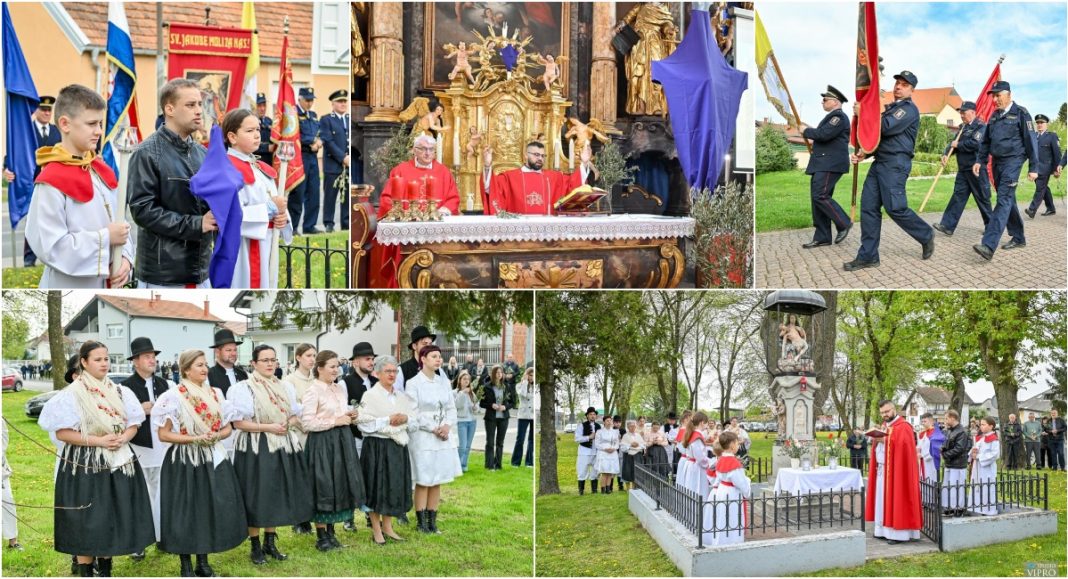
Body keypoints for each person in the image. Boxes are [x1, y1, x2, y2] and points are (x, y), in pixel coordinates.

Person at [37, 342, 155, 577]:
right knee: (86, 519)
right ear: (83, 362)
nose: (104, 364)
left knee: (110, 514)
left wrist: (123, 438)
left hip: (117, 461)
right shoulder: (71, 395)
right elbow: (62, 433)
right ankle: (85, 572)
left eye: (106, 359)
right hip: (86, 462)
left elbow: (134, 423)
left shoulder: (120, 391)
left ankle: (106, 570)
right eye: (98, 359)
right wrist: (99, 441)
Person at [24, 85, 133, 288]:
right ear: (65, 124)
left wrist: (125, 257)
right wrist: (106, 237)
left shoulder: (100, 170)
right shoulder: (51, 181)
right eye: (91, 124)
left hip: (108, 283)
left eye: (100, 123)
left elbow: (120, 223)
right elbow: (51, 246)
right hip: (70, 285)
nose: (99, 131)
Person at [152, 349, 246, 577]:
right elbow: (164, 435)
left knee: (207, 508)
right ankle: (185, 564)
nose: (205, 369)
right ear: (185, 370)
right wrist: (194, 439)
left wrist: (217, 436)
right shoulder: (173, 397)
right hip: (184, 461)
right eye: (199, 365)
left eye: (205, 365)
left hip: (211, 457)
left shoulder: (215, 393)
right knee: (185, 512)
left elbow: (227, 427)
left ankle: (203, 561)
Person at [228, 345, 311, 565]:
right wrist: (269, 427)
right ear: (253, 364)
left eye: (273, 360)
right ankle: (255, 546)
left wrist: (286, 423)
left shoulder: (284, 387)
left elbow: (294, 416)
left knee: (274, 493)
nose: (270, 364)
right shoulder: (243, 388)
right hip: (256, 446)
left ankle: (270, 543)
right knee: (256, 495)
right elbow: (239, 423)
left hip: (281, 443)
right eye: (264, 360)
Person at [128, 78, 214, 288]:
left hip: (201, 270)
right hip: (163, 273)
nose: (198, 111)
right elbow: (143, 210)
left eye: (200, 104)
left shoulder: (203, 153)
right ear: (170, 109)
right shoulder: (146, 153)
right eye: (190, 105)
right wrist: (197, 224)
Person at [845, 71, 935, 271]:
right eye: (897, 83)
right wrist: (864, 154)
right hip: (880, 162)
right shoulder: (891, 109)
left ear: (912, 90)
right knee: (868, 208)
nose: (898, 87)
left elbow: (884, 128)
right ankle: (868, 256)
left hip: (896, 164)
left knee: (895, 207)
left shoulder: (908, 110)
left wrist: (865, 113)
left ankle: (925, 234)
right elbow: (879, 139)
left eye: (904, 84)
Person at [300, 350, 366, 551]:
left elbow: (339, 411)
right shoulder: (313, 391)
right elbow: (307, 422)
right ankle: (321, 536)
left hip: (342, 441)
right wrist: (334, 421)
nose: (336, 370)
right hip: (322, 443)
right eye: (331, 366)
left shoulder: (339, 389)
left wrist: (350, 414)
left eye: (337, 366)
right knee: (323, 485)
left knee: (338, 483)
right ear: (319, 368)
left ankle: (331, 532)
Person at [972, 80, 1039, 261]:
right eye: (993, 96)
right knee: (1009, 200)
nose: (995, 99)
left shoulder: (1021, 114)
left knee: (1003, 200)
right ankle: (1018, 238)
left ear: (1009, 94)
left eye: (998, 95)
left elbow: (1031, 141)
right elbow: (985, 142)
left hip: (1013, 162)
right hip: (997, 163)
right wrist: (980, 161)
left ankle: (988, 245)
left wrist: (1034, 168)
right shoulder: (994, 116)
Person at [355, 355, 416, 545]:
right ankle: (376, 529)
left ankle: (388, 527)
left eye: (395, 371)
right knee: (376, 487)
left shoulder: (401, 396)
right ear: (377, 373)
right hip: (376, 447)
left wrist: (404, 419)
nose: (392, 375)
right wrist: (388, 422)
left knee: (392, 486)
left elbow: (415, 420)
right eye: (388, 371)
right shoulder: (370, 396)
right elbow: (363, 424)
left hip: (397, 446)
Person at [121, 337, 172, 557]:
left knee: (163, 492)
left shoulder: (166, 384)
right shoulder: (125, 387)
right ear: (135, 361)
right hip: (139, 447)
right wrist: (141, 409)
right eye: (147, 357)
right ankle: (139, 542)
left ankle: (163, 536)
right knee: (140, 495)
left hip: (163, 446)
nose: (152, 360)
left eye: (153, 357)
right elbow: (119, 417)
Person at [405, 345, 463, 533]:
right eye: (434, 356)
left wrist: (447, 426)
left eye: (440, 356)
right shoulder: (413, 383)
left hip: (442, 436)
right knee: (424, 479)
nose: (439, 360)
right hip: (423, 436)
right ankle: (421, 521)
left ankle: (432, 520)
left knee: (437, 478)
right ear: (423, 359)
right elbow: (413, 411)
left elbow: (450, 408)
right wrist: (433, 428)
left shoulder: (443, 382)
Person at [3, 95, 61, 267]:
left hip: (53, 183)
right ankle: (29, 259)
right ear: (36, 110)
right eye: (43, 109)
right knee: (32, 222)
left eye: (49, 110)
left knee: (52, 221)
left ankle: (51, 256)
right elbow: (14, 154)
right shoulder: (26, 132)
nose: (46, 112)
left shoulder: (57, 131)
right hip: (31, 183)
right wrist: (5, 168)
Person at [798, 85, 852, 248]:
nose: (822, 102)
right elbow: (823, 136)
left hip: (830, 163)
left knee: (820, 195)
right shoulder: (831, 118)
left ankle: (843, 222)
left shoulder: (838, 117)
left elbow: (823, 134)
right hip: (822, 163)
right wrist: (809, 131)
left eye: (825, 99)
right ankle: (822, 236)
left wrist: (806, 131)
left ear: (835, 102)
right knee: (817, 200)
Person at [480, 141, 592, 215]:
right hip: (519, 232)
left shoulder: (553, 177)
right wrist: (487, 166)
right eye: (536, 155)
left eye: (543, 156)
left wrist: (584, 164)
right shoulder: (510, 177)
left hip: (548, 233)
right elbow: (491, 188)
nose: (540, 159)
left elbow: (573, 187)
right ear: (525, 155)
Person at [865, 400, 922, 544]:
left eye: (887, 411)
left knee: (897, 499)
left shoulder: (904, 426)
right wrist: (876, 439)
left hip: (898, 472)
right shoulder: (885, 426)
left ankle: (898, 534)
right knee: (881, 500)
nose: (885, 415)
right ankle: (882, 530)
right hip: (882, 469)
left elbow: (904, 447)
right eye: (882, 413)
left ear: (894, 409)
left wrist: (885, 440)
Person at [933, 101, 992, 236]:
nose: (962, 115)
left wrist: (958, 145)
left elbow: (975, 144)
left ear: (972, 112)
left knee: (982, 198)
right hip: (963, 169)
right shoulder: (962, 128)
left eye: (964, 113)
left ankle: (991, 227)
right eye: (960, 113)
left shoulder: (981, 127)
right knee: (958, 197)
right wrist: (946, 154)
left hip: (976, 169)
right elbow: (953, 144)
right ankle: (947, 225)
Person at [375, 134, 461, 219]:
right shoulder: (400, 170)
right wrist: (402, 213)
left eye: (431, 149)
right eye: (423, 149)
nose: (427, 153)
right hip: (407, 222)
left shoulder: (444, 172)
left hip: (436, 222)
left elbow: (453, 198)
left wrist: (443, 211)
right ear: (414, 150)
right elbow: (387, 198)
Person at [703, 431, 750, 547]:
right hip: (731, 492)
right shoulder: (733, 463)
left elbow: (718, 476)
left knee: (722, 517)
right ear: (732, 445)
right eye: (737, 443)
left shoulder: (720, 460)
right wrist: (747, 488)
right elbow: (741, 483)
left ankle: (720, 539)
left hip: (722, 490)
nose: (738, 446)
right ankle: (731, 542)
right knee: (731, 517)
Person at [292, 87, 323, 235]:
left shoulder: (313, 115)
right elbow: (293, 135)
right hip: (300, 157)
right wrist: (311, 141)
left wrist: (318, 141)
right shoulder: (294, 115)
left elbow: (319, 132)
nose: (310, 103)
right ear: (300, 99)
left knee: (314, 192)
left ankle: (309, 226)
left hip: (313, 158)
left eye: (312, 100)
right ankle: (293, 227)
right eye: (307, 100)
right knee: (298, 193)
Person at [320, 89, 350, 232]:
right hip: (333, 164)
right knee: (330, 196)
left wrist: (349, 157)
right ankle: (329, 223)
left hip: (348, 164)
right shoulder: (326, 119)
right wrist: (343, 157)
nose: (343, 104)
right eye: (340, 101)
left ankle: (346, 223)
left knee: (347, 196)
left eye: (345, 101)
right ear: (333, 103)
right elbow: (328, 141)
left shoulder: (349, 119)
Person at [480, 364, 516, 470]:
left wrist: (505, 407)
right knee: (490, 442)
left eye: (500, 372)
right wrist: (491, 405)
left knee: (500, 443)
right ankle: (489, 465)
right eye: (497, 372)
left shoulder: (507, 387)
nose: (499, 374)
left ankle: (498, 465)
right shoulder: (486, 387)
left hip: (503, 418)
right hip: (491, 418)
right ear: (493, 374)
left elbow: (513, 402)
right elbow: (482, 403)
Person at [1025, 114, 1061, 218]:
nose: (1040, 125)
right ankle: (1051, 208)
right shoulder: (1034, 136)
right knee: (1044, 188)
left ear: (1046, 124)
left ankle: (1032, 210)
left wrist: (1056, 169)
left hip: (1046, 168)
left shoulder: (1052, 136)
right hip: (1035, 168)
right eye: (1038, 123)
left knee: (1040, 188)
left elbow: (1057, 154)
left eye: (1042, 123)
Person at [940, 409, 971, 517]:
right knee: (947, 486)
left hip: (958, 464)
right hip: (949, 463)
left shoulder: (961, 431)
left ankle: (959, 507)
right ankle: (949, 507)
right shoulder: (950, 430)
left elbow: (960, 448)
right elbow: (948, 443)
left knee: (957, 486)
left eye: (946, 418)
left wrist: (945, 455)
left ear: (953, 418)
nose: (945, 420)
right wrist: (942, 448)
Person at [398, 326, 447, 392]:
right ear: (414, 346)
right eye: (424, 344)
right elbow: (396, 397)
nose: (428, 347)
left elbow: (446, 393)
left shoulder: (439, 371)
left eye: (430, 344)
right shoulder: (401, 371)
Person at [968, 416, 1000, 516]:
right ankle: (977, 508)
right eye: (980, 424)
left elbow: (995, 454)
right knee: (977, 487)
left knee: (986, 487)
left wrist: (978, 456)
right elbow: (974, 449)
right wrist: (972, 453)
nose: (981, 426)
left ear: (991, 426)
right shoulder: (981, 438)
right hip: (977, 468)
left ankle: (988, 510)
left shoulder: (994, 439)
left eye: (983, 424)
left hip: (987, 469)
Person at [207, 329, 247, 396]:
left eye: (235, 350)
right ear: (217, 352)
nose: (233, 353)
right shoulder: (209, 376)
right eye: (228, 350)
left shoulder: (242, 374)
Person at [680, 412, 710, 497]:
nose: (707, 425)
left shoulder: (692, 434)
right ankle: (697, 509)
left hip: (692, 464)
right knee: (697, 489)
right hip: (697, 467)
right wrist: (710, 463)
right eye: (707, 422)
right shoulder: (697, 437)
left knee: (692, 488)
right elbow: (700, 458)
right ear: (702, 422)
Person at [453, 370, 478, 472]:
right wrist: (463, 393)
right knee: (462, 446)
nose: (466, 381)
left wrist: (475, 408)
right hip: (462, 421)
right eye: (464, 379)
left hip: (472, 421)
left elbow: (477, 407)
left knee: (468, 446)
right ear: (460, 380)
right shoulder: (455, 392)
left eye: (468, 379)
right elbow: (457, 405)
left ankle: (464, 464)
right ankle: (457, 465)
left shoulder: (472, 393)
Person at [511, 366, 535, 468]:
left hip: (533, 415)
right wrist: (525, 382)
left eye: (534, 375)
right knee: (520, 439)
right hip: (523, 415)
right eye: (530, 375)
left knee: (531, 440)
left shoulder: (536, 387)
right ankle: (516, 462)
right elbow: (523, 395)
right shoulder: (519, 386)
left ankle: (529, 462)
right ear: (526, 375)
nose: (532, 377)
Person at [575, 407, 601, 495]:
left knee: (595, 471)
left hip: (596, 452)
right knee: (582, 471)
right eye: (590, 414)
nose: (592, 416)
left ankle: (594, 490)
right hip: (584, 452)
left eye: (594, 414)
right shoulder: (581, 426)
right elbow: (577, 439)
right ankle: (581, 491)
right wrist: (588, 437)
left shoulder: (598, 426)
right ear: (587, 416)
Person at [594, 415, 621, 494]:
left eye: (610, 421)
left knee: (610, 471)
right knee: (604, 471)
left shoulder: (615, 432)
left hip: (612, 453)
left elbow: (617, 443)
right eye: (607, 421)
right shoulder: (599, 432)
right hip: (603, 453)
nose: (609, 422)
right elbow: (597, 444)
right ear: (604, 422)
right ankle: (603, 489)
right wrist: (605, 448)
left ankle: (608, 489)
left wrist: (614, 448)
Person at [619, 420, 646, 489]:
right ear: (628, 427)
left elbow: (643, 445)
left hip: (637, 455)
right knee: (628, 471)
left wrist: (638, 445)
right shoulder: (625, 436)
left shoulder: (638, 435)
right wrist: (631, 445)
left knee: (636, 472)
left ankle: (635, 487)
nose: (633, 428)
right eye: (631, 426)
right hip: (628, 456)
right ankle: (628, 488)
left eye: (634, 426)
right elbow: (623, 448)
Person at [254, 93, 274, 166]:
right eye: (259, 106)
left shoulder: (270, 121)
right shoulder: (250, 122)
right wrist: (266, 148)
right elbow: (248, 143)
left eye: (264, 105)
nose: (262, 108)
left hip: (269, 161)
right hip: (257, 161)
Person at [916, 413, 937, 482]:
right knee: (922, 480)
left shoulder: (935, 433)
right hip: (921, 461)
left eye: (925, 421)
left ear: (931, 421)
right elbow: (920, 445)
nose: (923, 423)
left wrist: (922, 455)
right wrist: (917, 450)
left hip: (930, 461)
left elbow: (935, 449)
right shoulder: (923, 433)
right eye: (922, 422)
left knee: (930, 480)